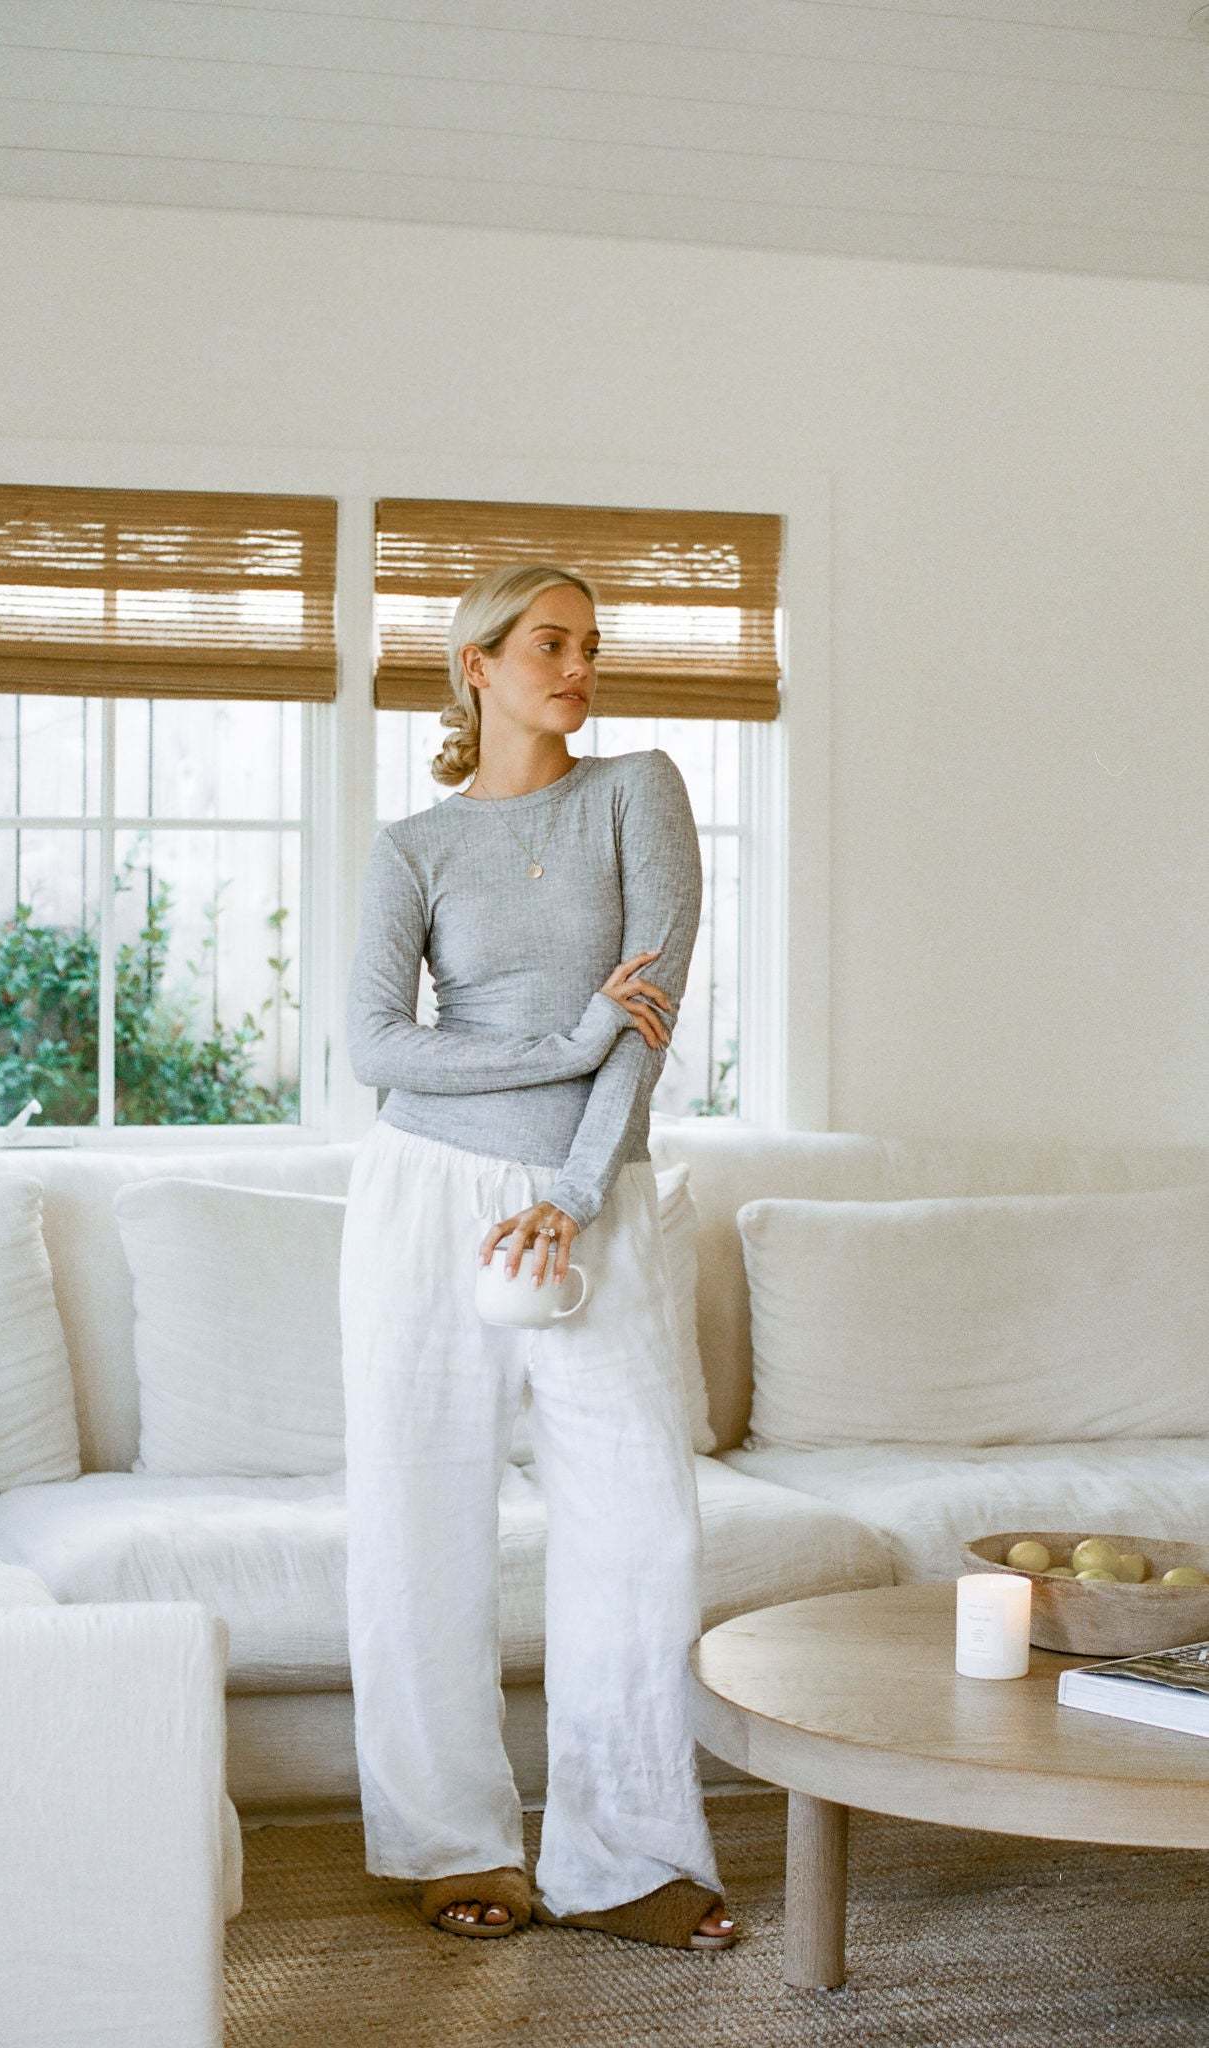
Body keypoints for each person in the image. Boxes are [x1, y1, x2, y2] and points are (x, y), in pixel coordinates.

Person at [339, 561, 740, 1952]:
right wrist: (565, 1040)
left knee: (637, 1523)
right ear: (479, 665)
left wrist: (571, 1191)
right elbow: (374, 1050)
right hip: (422, 1197)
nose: (579, 668)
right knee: (417, 1513)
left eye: (589, 646)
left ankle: (625, 1857)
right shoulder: (411, 847)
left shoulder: (637, 793)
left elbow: (648, 1015)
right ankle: (450, 1840)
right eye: (550, 644)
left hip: (589, 1200)